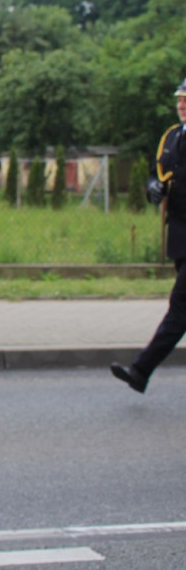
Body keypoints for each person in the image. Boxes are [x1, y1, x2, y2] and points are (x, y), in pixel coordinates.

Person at [111, 78, 186, 394]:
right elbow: (164, 177)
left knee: (180, 306)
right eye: (179, 100)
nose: (181, 106)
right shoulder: (172, 137)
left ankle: (141, 370)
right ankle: (141, 372)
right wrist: (152, 188)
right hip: (181, 237)